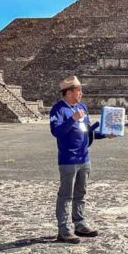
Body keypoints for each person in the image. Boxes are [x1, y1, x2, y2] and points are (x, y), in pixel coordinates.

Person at [49, 76, 114, 244]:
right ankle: (64, 229)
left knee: (81, 193)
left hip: (84, 157)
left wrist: (105, 134)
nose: (81, 93)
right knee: (66, 195)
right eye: (79, 90)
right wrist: (72, 119)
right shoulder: (58, 109)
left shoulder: (82, 107)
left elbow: (87, 132)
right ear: (69, 92)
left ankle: (80, 223)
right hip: (68, 159)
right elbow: (57, 131)